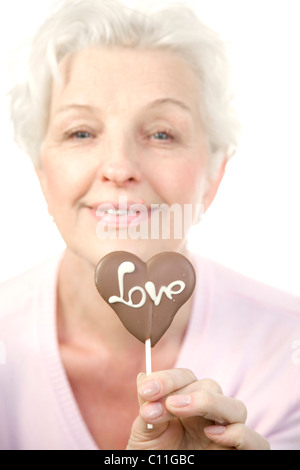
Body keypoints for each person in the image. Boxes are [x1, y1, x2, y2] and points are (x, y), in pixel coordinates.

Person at [0, 0, 299, 451]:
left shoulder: (288, 349)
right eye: (81, 132)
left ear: (214, 176)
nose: (119, 167)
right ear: (42, 172)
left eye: (162, 133)